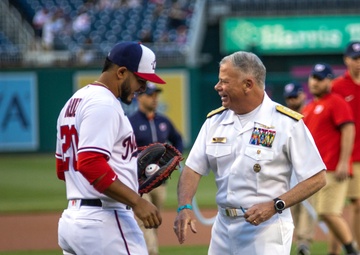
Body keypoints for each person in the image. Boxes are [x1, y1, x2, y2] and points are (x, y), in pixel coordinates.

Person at [173, 51, 327, 255]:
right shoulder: (214, 121)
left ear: (248, 84)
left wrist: (275, 205)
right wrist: (184, 206)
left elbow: (317, 177)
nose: (217, 87)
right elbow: (192, 169)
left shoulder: (286, 123)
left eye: (224, 81)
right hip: (222, 228)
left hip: (266, 229)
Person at [55, 41, 165, 255]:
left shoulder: (73, 102)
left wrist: (128, 177)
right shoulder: (103, 104)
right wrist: (136, 201)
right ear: (122, 72)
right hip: (105, 224)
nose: (143, 88)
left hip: (74, 220)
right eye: (141, 80)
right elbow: (89, 164)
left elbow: (63, 170)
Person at [302, 63, 357, 255]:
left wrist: (344, 161)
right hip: (318, 171)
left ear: (329, 81)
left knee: (328, 212)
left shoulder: (336, 101)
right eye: (313, 77)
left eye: (320, 78)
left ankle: (352, 250)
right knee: (328, 213)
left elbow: (349, 129)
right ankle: (336, 251)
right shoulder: (309, 108)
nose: (315, 82)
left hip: (334, 168)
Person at [129, 82, 184, 255]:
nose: (154, 98)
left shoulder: (163, 121)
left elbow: (178, 139)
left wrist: (176, 158)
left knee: (153, 221)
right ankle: (151, 251)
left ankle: (146, 249)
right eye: (150, 95)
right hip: (139, 184)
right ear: (139, 97)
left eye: (156, 95)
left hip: (160, 183)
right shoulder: (131, 122)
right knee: (144, 222)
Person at [331, 41, 360, 253]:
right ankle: (336, 250)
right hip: (346, 156)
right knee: (336, 208)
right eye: (355, 58)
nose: (358, 62)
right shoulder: (338, 87)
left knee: (358, 206)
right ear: (346, 60)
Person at [283, 81, 315, 255]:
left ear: (303, 95)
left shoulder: (312, 112)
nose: (292, 100)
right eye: (289, 97)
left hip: (309, 168)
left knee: (308, 205)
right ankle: (298, 241)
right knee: (292, 206)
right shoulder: (284, 118)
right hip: (290, 169)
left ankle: (304, 243)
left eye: (294, 96)